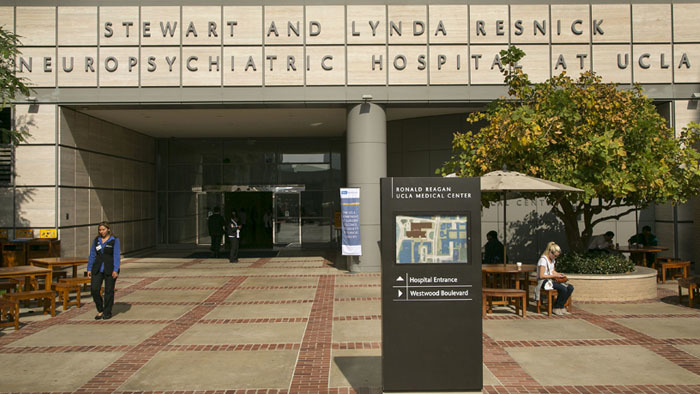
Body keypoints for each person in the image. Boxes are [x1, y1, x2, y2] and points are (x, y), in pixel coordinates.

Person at [87, 222, 120, 320]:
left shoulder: (114, 240)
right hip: (97, 268)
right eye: (100, 230)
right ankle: (100, 309)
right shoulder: (97, 240)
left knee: (109, 291)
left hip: (110, 268)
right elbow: (92, 254)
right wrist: (89, 268)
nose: (101, 232)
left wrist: (115, 269)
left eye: (103, 229)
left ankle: (107, 311)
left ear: (108, 229)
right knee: (94, 289)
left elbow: (116, 255)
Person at [536, 242, 573, 316]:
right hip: (544, 281)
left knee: (570, 287)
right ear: (550, 252)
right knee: (563, 289)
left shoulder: (552, 260)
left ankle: (561, 306)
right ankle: (556, 307)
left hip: (551, 280)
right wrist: (553, 276)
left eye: (557, 256)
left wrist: (559, 274)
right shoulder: (543, 260)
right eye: (555, 255)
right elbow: (541, 275)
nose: (555, 257)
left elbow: (552, 271)